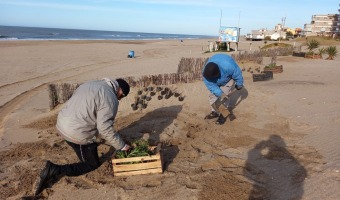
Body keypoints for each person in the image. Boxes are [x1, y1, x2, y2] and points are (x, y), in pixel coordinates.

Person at [33, 78, 131, 196]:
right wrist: (122, 146)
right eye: (122, 96)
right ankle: (53, 169)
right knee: (92, 164)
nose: (120, 99)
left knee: (90, 143)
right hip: (75, 133)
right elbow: (104, 128)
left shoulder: (93, 83)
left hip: (61, 123)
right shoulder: (111, 98)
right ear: (120, 91)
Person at [202, 54, 244, 125]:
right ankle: (215, 112)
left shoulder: (229, 66)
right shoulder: (206, 75)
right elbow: (212, 86)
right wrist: (220, 94)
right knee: (213, 96)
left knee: (225, 97)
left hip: (227, 79)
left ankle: (222, 116)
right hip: (215, 81)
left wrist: (239, 84)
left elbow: (237, 74)